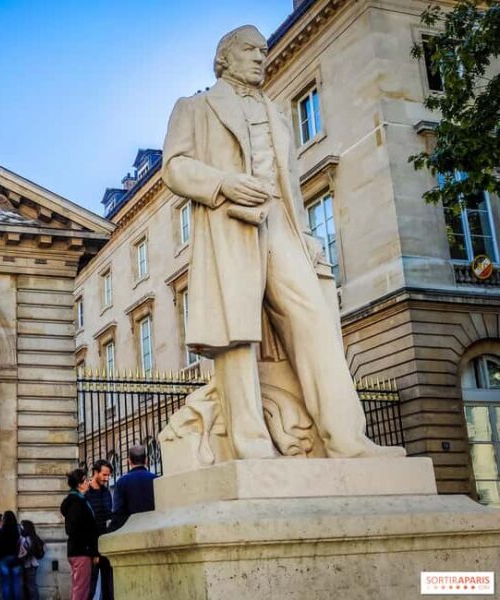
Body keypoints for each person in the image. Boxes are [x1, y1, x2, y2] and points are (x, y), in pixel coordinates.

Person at [161, 25, 405, 461]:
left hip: (280, 224)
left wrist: (306, 235)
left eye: (264, 51)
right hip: (230, 224)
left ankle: (346, 439)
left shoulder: (276, 112)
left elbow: (289, 182)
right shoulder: (195, 107)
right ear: (224, 58)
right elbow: (174, 168)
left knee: (314, 322)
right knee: (238, 338)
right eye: (250, 50)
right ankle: (251, 445)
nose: (260, 57)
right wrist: (224, 183)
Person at [60, 469, 99, 600]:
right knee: (81, 589)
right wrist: (92, 550)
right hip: (81, 551)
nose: (88, 482)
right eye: (86, 480)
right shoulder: (78, 503)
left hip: (77, 550)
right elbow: (77, 529)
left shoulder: (78, 500)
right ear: (80, 484)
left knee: (79, 587)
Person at [85, 460, 114, 600]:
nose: (106, 478)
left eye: (108, 475)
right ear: (95, 472)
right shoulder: (86, 493)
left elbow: (109, 515)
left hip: (107, 544)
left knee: (109, 585)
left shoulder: (106, 492)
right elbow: (85, 524)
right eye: (104, 475)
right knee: (90, 586)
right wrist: (93, 551)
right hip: (91, 547)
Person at [111, 446, 157, 530]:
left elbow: (118, 512)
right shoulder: (156, 479)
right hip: (153, 526)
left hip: (131, 530)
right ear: (146, 460)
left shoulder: (121, 482)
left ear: (129, 461)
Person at [0, 510, 24, 600]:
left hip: (3, 559)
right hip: (16, 558)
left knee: (5, 584)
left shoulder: (1, 532)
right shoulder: (17, 531)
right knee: (16, 583)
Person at [20, 520, 44, 600]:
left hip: (28, 565)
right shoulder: (33, 537)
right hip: (31, 564)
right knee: (30, 586)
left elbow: (26, 551)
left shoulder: (26, 539)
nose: (20, 528)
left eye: (22, 526)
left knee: (30, 587)